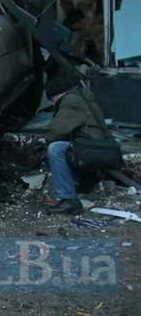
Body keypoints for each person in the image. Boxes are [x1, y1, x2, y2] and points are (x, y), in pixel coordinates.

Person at [44, 71, 109, 215]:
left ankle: (69, 199)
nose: (53, 104)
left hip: (92, 147)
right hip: (97, 146)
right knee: (63, 148)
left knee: (54, 149)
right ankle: (86, 179)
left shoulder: (71, 100)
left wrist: (45, 140)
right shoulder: (82, 96)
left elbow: (58, 129)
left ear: (59, 94)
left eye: (53, 99)